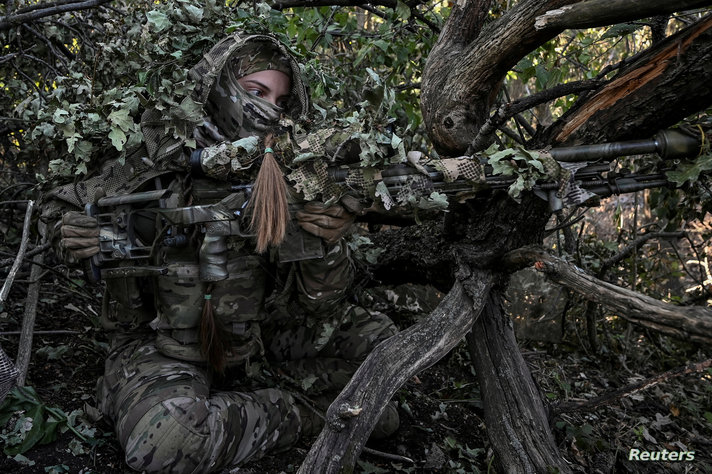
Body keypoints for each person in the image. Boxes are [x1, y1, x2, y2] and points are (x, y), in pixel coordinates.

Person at [41, 32, 398, 473]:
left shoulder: (297, 172)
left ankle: (263, 405)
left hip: (262, 338)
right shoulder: (156, 157)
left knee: (387, 347)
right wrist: (73, 233)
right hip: (161, 345)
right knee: (169, 440)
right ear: (221, 85)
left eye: (281, 101)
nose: (270, 109)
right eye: (256, 92)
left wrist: (327, 239)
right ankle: (311, 411)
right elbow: (60, 208)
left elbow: (320, 301)